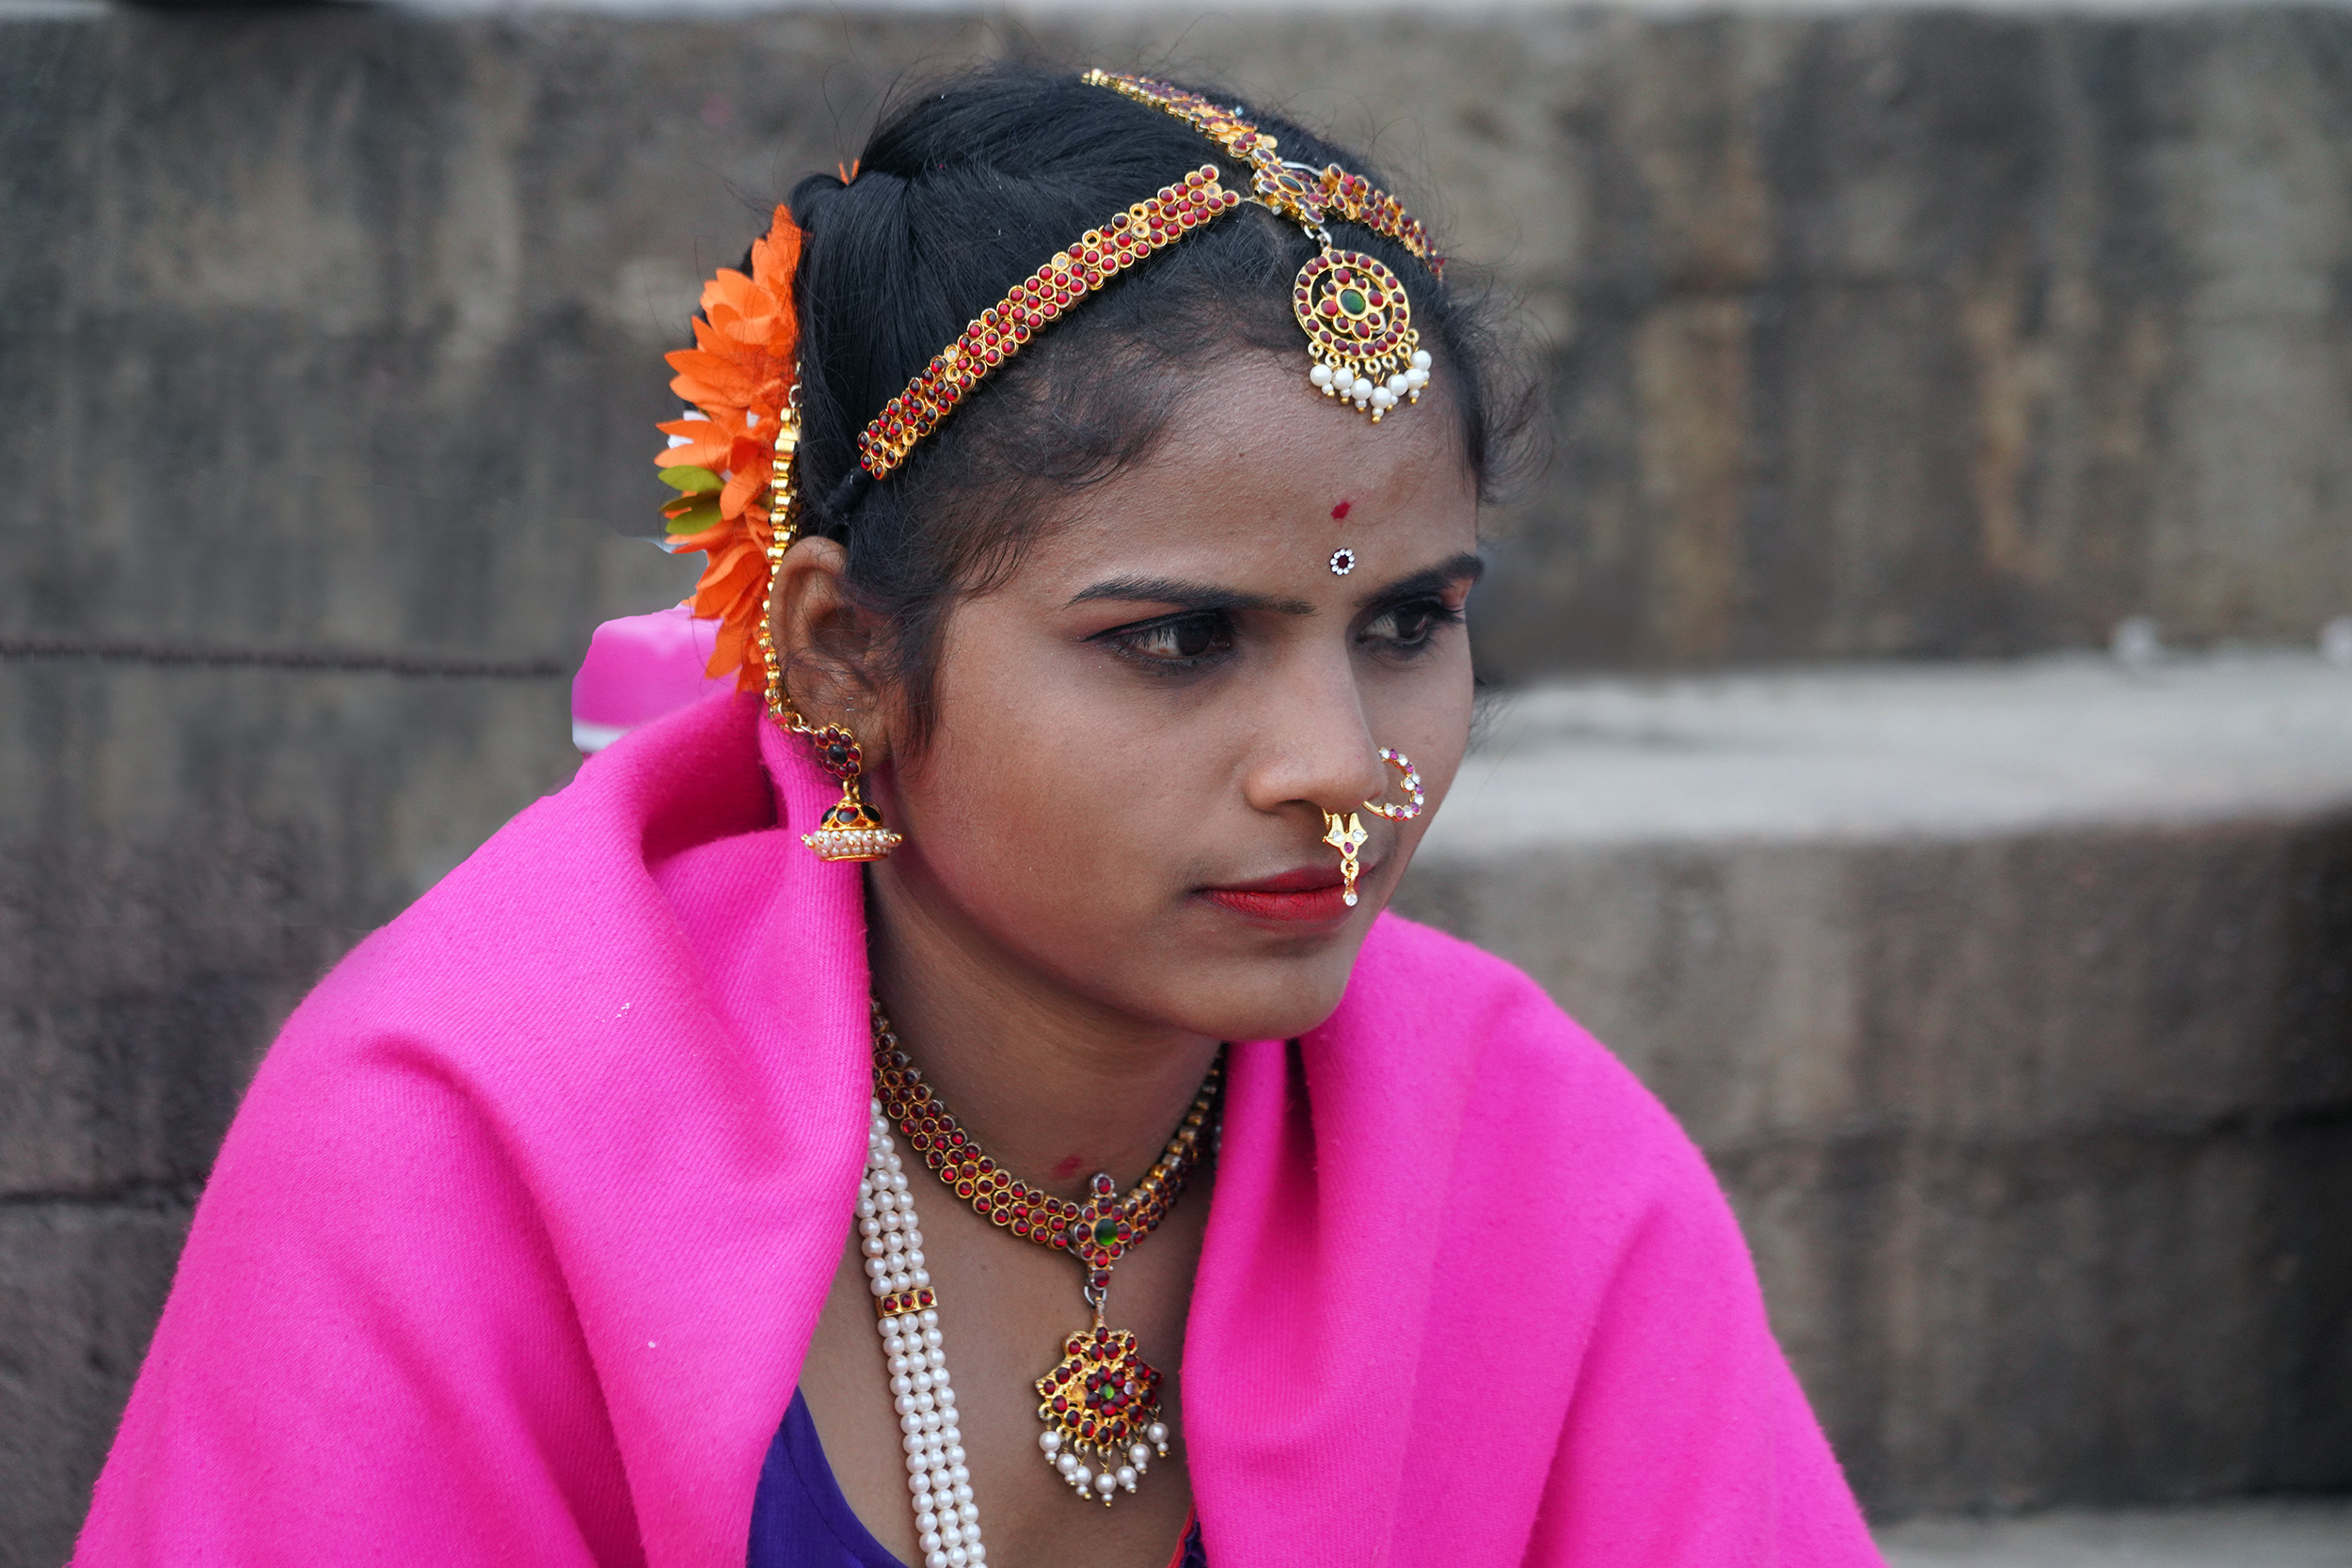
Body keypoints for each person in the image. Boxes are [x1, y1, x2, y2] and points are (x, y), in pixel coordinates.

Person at [74, 64, 1881, 1568]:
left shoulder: (1531, 1160)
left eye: (1408, 623)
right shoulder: (471, 1146)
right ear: (849, 654)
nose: (1337, 766)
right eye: (1180, 640)